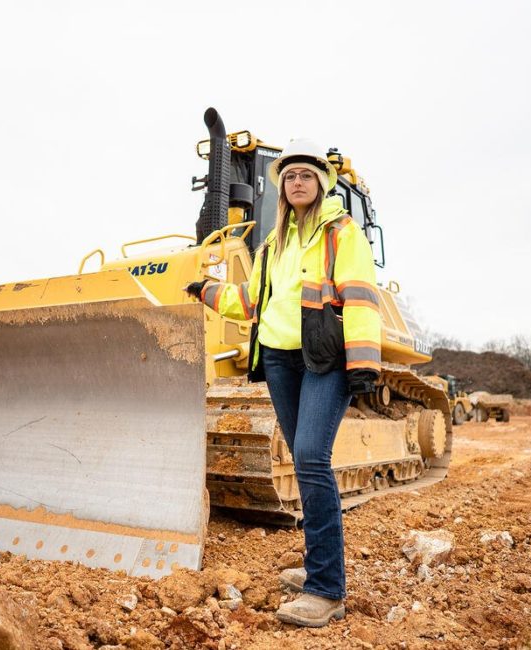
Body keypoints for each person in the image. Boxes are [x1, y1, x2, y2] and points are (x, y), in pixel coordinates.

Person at [185, 138, 382, 627]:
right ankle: (318, 565)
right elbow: (256, 303)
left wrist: (362, 362)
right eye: (290, 175)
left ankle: (327, 590)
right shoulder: (274, 243)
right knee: (303, 460)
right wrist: (208, 291)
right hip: (277, 359)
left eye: (305, 175)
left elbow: (360, 295)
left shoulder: (340, 232)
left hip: (323, 358)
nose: (297, 182)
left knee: (313, 459)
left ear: (321, 183)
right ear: (282, 186)